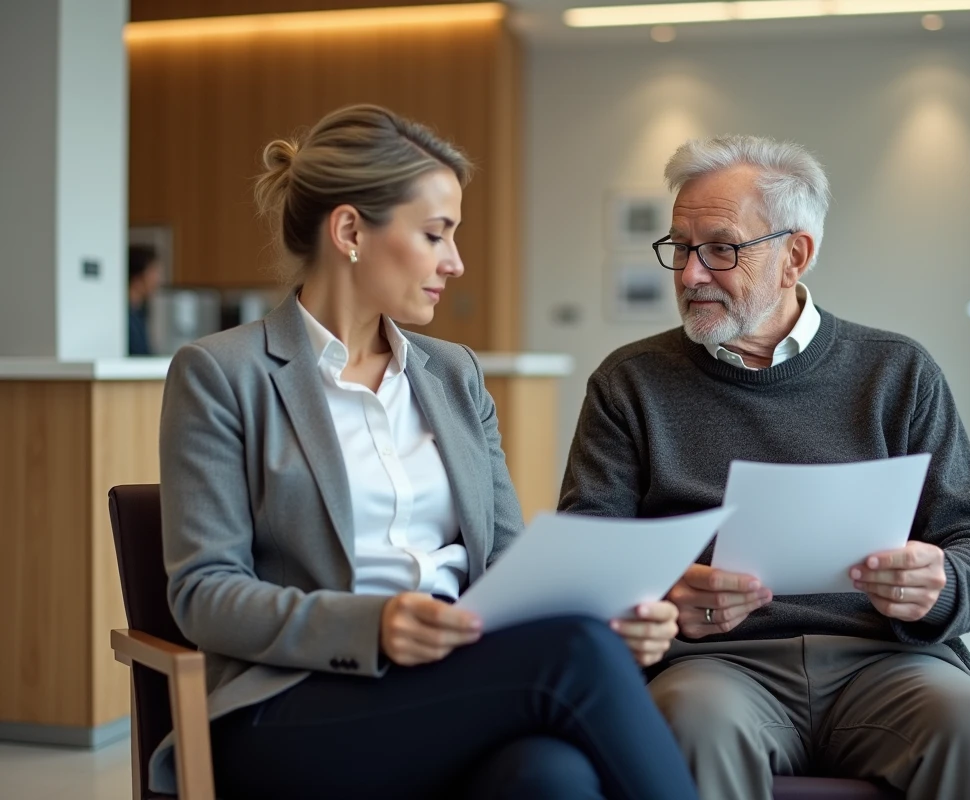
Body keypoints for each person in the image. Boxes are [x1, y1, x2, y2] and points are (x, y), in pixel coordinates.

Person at [153, 104, 694, 800]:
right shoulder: (222, 373)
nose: (456, 262)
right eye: (436, 234)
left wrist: (606, 614)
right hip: (291, 707)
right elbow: (203, 594)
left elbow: (505, 562)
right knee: (574, 656)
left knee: (550, 776)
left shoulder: (455, 375)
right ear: (350, 231)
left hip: (453, 683)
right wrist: (374, 625)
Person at [559, 135, 970, 800]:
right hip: (712, 667)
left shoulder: (897, 373)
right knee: (689, 725)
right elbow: (586, 557)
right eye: (680, 247)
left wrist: (943, 581)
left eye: (721, 248)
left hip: (891, 662)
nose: (691, 273)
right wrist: (667, 588)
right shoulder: (630, 384)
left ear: (795, 256)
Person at [127, 243, 162, 355]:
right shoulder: (124, 317)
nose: (158, 279)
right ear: (138, 275)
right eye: (153, 272)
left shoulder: (139, 312)